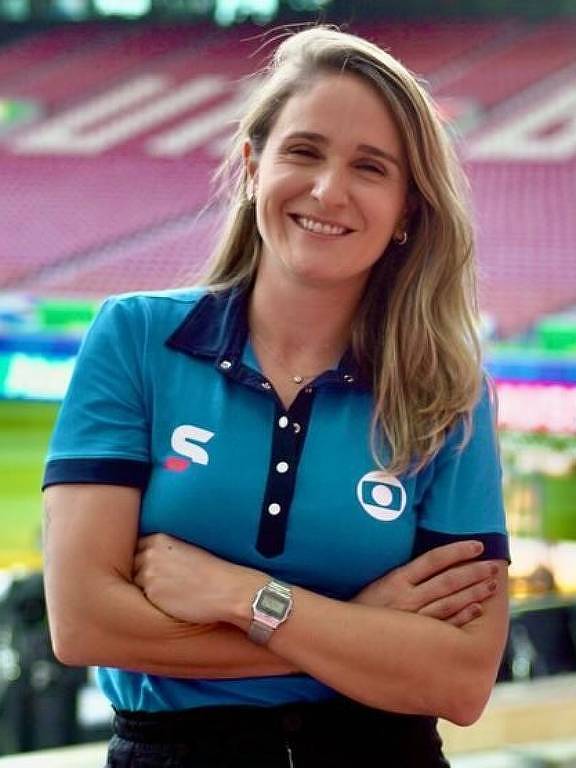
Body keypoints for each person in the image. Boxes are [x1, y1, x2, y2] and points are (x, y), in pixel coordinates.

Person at [42, 26, 510, 768]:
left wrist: (246, 596)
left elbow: (459, 679)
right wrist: (356, 631)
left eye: (370, 167)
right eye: (304, 151)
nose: (328, 190)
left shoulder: (448, 393)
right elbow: (84, 623)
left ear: (407, 212)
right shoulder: (134, 337)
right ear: (255, 165)